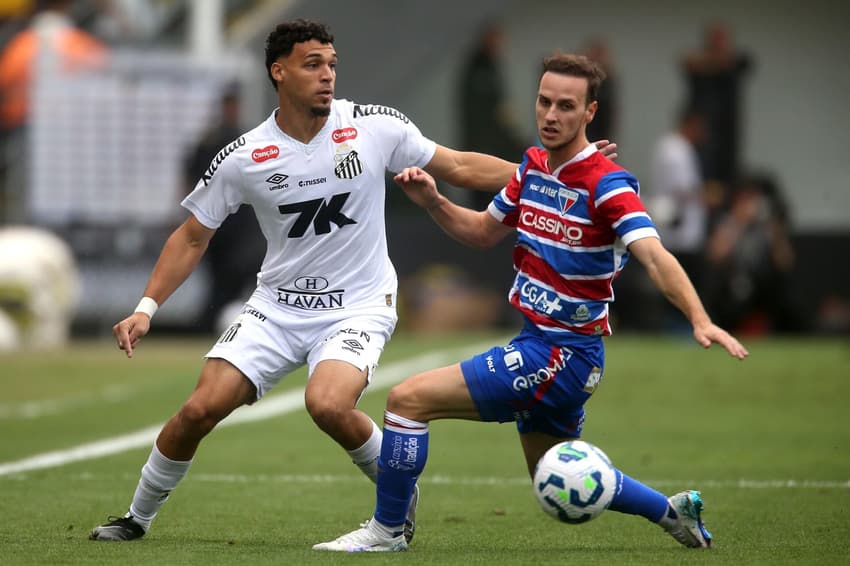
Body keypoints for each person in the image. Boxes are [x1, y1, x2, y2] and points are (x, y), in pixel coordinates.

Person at [87, 19, 617, 543]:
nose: (327, 76)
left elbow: (457, 164)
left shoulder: (373, 126)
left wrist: (554, 167)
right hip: (276, 307)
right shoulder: (244, 156)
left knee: (329, 404)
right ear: (279, 72)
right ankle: (136, 518)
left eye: (332, 65)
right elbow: (191, 237)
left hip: (359, 306)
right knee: (198, 410)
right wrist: (146, 306)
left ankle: (395, 499)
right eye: (312, 64)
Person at [313, 53, 748, 553]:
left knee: (406, 401)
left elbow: (655, 256)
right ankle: (674, 513)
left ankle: (388, 531)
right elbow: (480, 233)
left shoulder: (608, 185)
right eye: (544, 101)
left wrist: (699, 317)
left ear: (590, 113)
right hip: (542, 344)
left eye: (567, 105)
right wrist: (434, 200)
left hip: (561, 355)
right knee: (553, 475)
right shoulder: (532, 169)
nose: (551, 114)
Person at [182, 85, 266, 333]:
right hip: (217, 222)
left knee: (244, 274)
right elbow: (191, 180)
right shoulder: (210, 141)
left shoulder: (247, 137)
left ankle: (237, 323)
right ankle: (212, 325)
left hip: (243, 224)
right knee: (219, 279)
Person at [680, 21, 753, 186]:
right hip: (702, 132)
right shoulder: (698, 63)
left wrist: (717, 62)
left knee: (727, 176)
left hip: (727, 131)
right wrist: (714, 61)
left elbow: (746, 62)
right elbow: (686, 61)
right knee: (699, 174)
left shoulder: (735, 62)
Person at [649, 104, 708, 294]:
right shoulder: (677, 150)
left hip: (676, 226)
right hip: (678, 228)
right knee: (679, 281)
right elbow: (682, 189)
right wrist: (708, 195)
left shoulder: (670, 146)